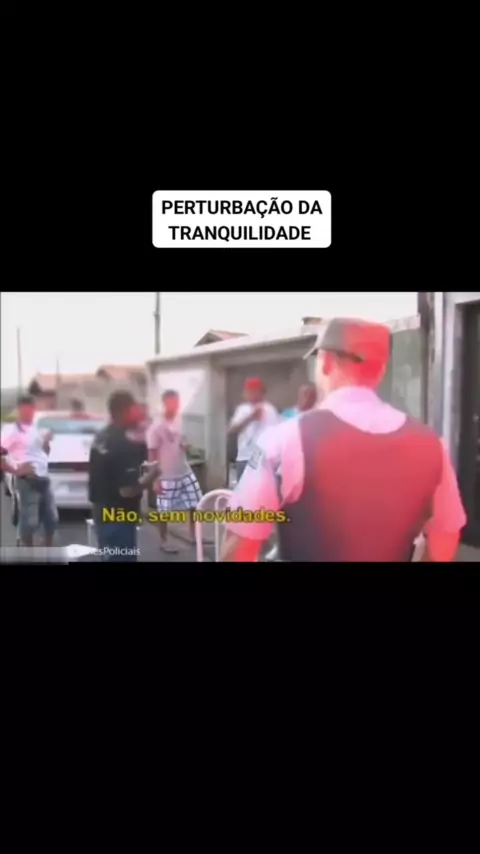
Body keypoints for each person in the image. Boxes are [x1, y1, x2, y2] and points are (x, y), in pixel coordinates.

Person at [220, 318, 467, 563]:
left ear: (326, 363)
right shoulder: (432, 446)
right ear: (381, 370)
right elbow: (445, 537)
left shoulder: (283, 439)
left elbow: (239, 545)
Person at [89, 391, 159, 563]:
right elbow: (128, 490)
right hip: (119, 518)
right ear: (124, 412)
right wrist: (154, 473)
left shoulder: (102, 437)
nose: (138, 415)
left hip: (102, 512)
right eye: (134, 410)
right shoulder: (122, 443)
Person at [146, 389, 203, 554]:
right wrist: (155, 479)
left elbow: (180, 442)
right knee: (164, 511)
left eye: (178, 402)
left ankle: (194, 535)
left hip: (184, 470)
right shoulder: (156, 427)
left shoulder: (179, 420)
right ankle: (164, 541)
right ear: (165, 403)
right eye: (173, 402)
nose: (176, 406)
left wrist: (185, 447)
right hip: (166, 475)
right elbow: (152, 454)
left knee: (196, 503)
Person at [0, 394, 57, 546]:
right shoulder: (12, 430)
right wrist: (16, 471)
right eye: (25, 409)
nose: (29, 413)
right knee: (30, 523)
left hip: (44, 479)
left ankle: (48, 553)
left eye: (31, 409)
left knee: (51, 520)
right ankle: (28, 554)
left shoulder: (36, 428)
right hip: (27, 481)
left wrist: (46, 444)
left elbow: (42, 454)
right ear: (19, 410)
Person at [228, 377, 279, 485]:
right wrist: (250, 418)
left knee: (263, 490)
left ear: (261, 392)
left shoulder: (270, 409)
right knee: (243, 491)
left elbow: (278, 434)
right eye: (248, 392)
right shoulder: (242, 409)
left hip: (264, 459)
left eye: (253, 391)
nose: (250, 394)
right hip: (245, 457)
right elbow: (231, 430)